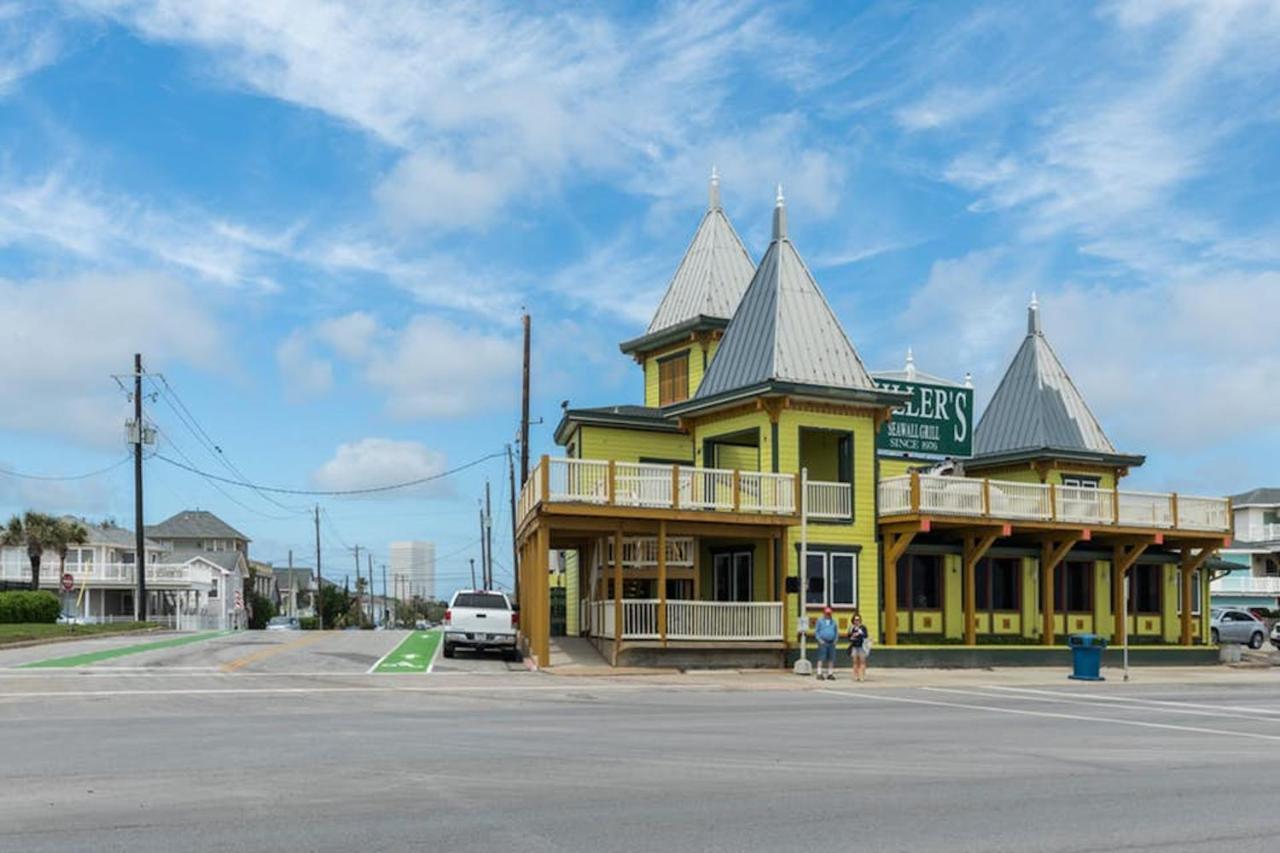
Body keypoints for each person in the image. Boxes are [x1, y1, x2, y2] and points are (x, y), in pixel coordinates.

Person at [814, 606, 839, 680]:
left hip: (831, 642)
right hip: (823, 642)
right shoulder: (820, 621)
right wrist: (820, 640)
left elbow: (836, 632)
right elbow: (817, 632)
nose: (828, 615)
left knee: (831, 659)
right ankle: (819, 673)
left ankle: (830, 673)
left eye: (829, 613)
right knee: (821, 658)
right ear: (824, 613)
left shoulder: (834, 622)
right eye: (827, 613)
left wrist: (835, 640)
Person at [847, 610, 870, 682]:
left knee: (862, 661)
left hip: (861, 646)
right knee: (855, 662)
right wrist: (852, 637)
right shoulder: (851, 628)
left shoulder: (863, 627)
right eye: (855, 620)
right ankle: (856, 676)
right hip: (854, 646)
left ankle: (862, 676)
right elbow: (849, 637)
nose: (857, 621)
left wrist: (860, 633)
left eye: (858, 619)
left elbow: (866, 636)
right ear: (853, 620)